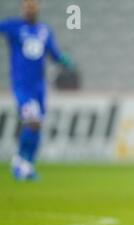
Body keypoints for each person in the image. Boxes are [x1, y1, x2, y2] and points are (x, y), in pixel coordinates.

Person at [0, 0, 73, 180]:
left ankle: (27, 165)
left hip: (39, 87)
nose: (29, 9)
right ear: (22, 9)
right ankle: (19, 163)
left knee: (37, 125)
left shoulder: (44, 30)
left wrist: (64, 60)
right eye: (26, 6)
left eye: (32, 6)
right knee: (32, 121)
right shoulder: (13, 26)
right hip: (22, 85)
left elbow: (53, 53)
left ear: (38, 8)